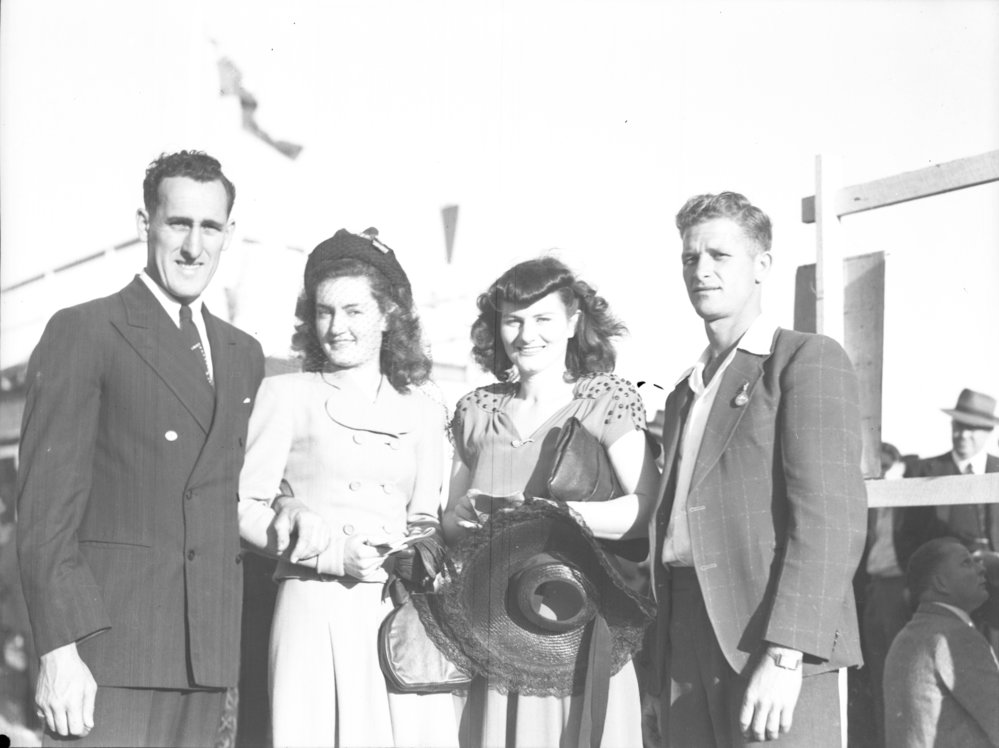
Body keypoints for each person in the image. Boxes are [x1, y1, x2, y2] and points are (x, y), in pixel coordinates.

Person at [16, 151, 265, 746]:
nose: (193, 246)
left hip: (207, 657)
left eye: (210, 227)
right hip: (108, 657)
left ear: (229, 234)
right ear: (144, 223)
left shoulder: (242, 354)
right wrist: (58, 650)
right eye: (179, 223)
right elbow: (44, 516)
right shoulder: (86, 330)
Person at [648, 192, 867, 746]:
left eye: (720, 256)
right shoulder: (683, 393)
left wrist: (786, 655)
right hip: (683, 632)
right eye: (690, 259)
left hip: (768, 634)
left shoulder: (803, 359)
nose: (701, 271)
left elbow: (829, 520)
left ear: (762, 266)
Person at [237, 228, 459, 748]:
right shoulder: (286, 394)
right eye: (324, 311)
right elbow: (245, 507)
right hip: (314, 608)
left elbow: (425, 519)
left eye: (354, 311)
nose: (336, 327)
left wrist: (418, 559)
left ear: (388, 315)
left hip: (397, 615)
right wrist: (333, 554)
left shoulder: (425, 411)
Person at [442, 256, 661, 748]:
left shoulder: (607, 398)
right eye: (513, 320)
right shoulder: (476, 411)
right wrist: (462, 519)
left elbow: (646, 509)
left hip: (576, 631)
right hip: (492, 634)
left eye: (542, 319)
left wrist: (559, 517)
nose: (526, 334)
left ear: (573, 323)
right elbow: (450, 522)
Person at [858, 441, 948, 746]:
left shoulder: (909, 485)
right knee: (878, 674)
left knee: (901, 674)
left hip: (899, 589)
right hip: (873, 589)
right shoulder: (871, 490)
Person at [883, 537, 999, 748]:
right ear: (940, 583)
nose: (982, 569)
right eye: (967, 563)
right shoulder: (955, 637)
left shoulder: (907, 637)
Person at [911, 389, 999, 650]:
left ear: (987, 431)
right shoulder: (925, 472)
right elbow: (906, 535)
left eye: (972, 428)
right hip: (949, 597)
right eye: (959, 426)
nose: (963, 434)